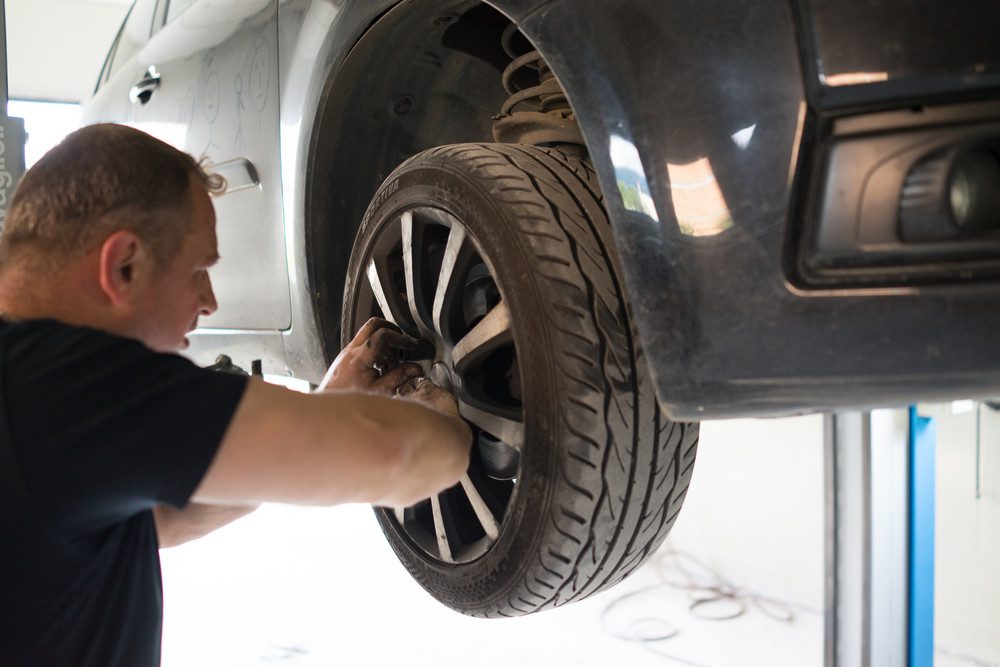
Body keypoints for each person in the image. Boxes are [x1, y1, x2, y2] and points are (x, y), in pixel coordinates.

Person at [0, 123, 472, 666]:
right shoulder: (64, 385)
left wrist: (322, 412)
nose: (209, 302)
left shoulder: (30, 392)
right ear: (122, 265)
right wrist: (451, 423)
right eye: (199, 269)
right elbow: (396, 455)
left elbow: (164, 521)